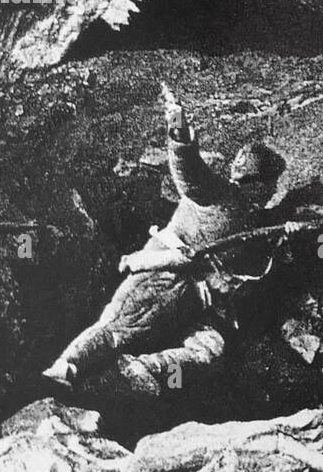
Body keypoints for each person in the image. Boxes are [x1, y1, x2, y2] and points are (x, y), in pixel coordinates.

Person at [42, 85, 297, 392]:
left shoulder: (254, 218)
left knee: (208, 354)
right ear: (256, 183)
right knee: (116, 330)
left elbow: (257, 262)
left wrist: (287, 239)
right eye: (271, 184)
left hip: (197, 303)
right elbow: (186, 167)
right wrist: (177, 125)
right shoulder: (215, 193)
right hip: (162, 276)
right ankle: (64, 368)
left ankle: (141, 370)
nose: (273, 191)